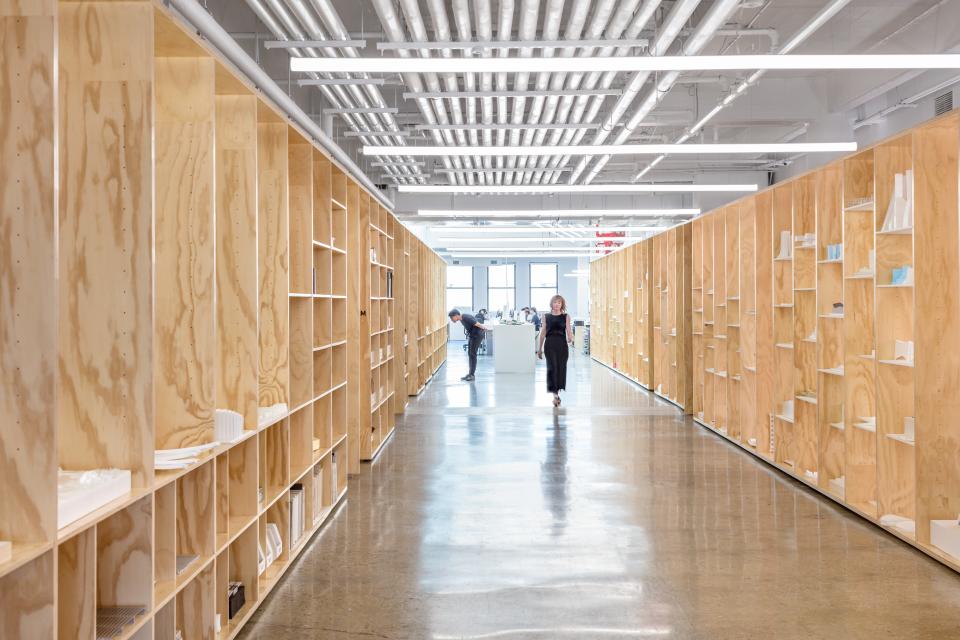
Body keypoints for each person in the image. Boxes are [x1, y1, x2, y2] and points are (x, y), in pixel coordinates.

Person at [537, 295, 574, 407]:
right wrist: (539, 348)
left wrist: (570, 338)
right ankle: (555, 395)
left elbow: (568, 330)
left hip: (562, 345)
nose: (557, 304)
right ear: (551, 304)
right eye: (555, 302)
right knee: (552, 368)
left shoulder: (566, 316)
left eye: (559, 302)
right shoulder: (546, 316)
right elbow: (543, 332)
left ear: (562, 304)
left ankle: (557, 391)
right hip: (550, 344)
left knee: (560, 369)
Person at [449, 308, 488, 382]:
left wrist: (484, 328)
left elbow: (476, 323)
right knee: (470, 353)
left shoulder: (465, 317)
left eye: (452, 317)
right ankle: (470, 374)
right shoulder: (461, 319)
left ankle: (472, 375)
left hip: (477, 335)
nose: (451, 319)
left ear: (456, 315)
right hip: (473, 335)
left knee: (473, 354)